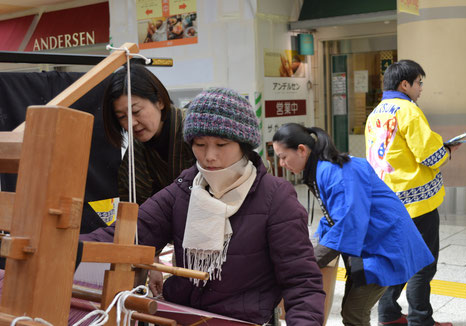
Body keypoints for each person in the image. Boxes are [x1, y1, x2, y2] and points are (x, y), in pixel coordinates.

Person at [81, 87, 326, 325]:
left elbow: (302, 282)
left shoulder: (275, 197)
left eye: (221, 145)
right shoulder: (185, 188)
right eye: (199, 144)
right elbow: (130, 234)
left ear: (243, 144)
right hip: (179, 316)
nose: (209, 156)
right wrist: (70, 248)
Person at [272, 123, 434, 326]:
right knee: (352, 312)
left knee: (354, 314)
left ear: (302, 150)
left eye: (283, 156)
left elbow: (347, 224)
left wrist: (309, 262)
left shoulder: (333, 172)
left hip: (385, 245)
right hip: (372, 243)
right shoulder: (324, 168)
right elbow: (334, 217)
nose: (281, 163)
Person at [365, 60, 458, 326]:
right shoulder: (408, 111)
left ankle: (389, 314)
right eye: (419, 83)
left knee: (395, 259)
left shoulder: (376, 113)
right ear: (404, 84)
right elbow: (430, 156)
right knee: (423, 263)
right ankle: (420, 320)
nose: (420, 89)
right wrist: (448, 150)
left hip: (386, 200)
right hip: (417, 203)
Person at [102, 63, 195, 206]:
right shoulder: (136, 152)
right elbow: (132, 205)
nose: (131, 122)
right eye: (122, 117)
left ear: (160, 101)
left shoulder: (194, 131)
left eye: (136, 111)